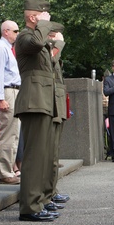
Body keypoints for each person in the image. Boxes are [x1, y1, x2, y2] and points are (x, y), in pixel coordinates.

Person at [14, 0, 62, 221]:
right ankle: (30, 207)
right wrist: (43, 26)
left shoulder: (39, 39)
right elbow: (34, 44)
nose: (48, 19)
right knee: (34, 157)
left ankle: (40, 200)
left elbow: (50, 66)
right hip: (33, 101)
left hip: (42, 101)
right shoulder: (24, 36)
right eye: (44, 15)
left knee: (43, 156)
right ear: (33, 17)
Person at [0, 20, 22, 184]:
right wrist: (0, 97)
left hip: (14, 90)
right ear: (6, 31)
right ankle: (4, 172)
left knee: (14, 133)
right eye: (15, 31)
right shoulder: (1, 48)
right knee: (7, 133)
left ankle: (10, 169)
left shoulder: (8, 48)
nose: (17, 34)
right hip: (7, 91)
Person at [42, 26, 69, 213]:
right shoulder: (43, 49)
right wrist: (58, 43)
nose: (56, 37)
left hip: (56, 104)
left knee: (53, 154)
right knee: (46, 154)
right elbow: (50, 62)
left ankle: (51, 192)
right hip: (47, 104)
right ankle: (45, 195)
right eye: (52, 34)